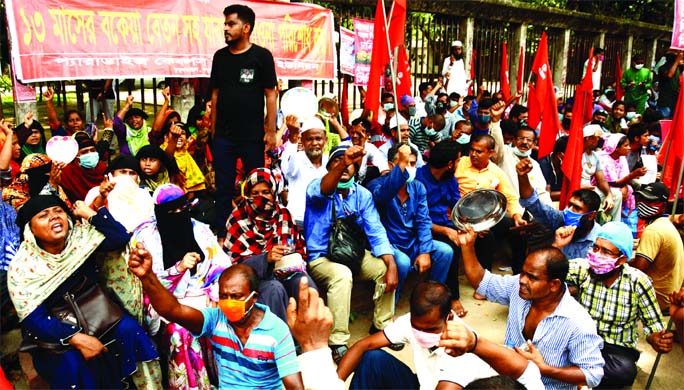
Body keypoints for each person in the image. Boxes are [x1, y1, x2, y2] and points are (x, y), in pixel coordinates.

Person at [8, 195, 160, 388]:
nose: (54, 217)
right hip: (58, 333)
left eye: (59, 211)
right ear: (31, 229)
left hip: (102, 316)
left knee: (130, 331)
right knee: (73, 364)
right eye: (44, 215)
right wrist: (77, 338)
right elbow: (34, 320)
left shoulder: (81, 240)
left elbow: (119, 237)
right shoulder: (23, 267)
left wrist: (90, 214)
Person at [454, 226, 605, 389]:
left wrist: (545, 369)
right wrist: (467, 246)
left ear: (554, 285)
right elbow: (482, 282)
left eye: (532, 277)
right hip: (508, 382)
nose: (522, 280)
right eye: (523, 273)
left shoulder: (578, 322)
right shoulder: (518, 288)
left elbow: (592, 375)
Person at [129, 248, 304, 389]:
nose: (228, 303)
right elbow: (173, 310)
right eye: (223, 296)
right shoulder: (215, 320)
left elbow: (294, 386)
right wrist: (147, 276)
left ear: (254, 297)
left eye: (236, 296)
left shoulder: (276, 331)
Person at [337, 281, 544, 389]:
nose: (421, 334)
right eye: (416, 327)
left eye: (430, 329)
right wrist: (334, 384)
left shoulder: (462, 350)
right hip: (424, 385)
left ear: (449, 318)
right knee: (373, 359)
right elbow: (363, 345)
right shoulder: (414, 321)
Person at [304, 144, 397, 362]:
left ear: (356, 169)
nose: (344, 167)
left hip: (351, 253)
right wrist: (343, 162)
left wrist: (391, 264)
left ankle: (382, 326)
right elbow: (325, 189)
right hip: (322, 258)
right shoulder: (317, 189)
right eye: (336, 162)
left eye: (348, 164)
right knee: (341, 275)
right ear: (329, 168)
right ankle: (338, 341)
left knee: (383, 267)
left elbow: (375, 230)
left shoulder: (362, 195)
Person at [133, 184, 230, 389]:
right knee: (181, 330)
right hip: (163, 303)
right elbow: (147, 281)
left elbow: (220, 267)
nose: (178, 215)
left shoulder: (200, 230)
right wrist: (178, 269)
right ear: (159, 212)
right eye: (171, 211)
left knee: (222, 317)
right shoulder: (144, 237)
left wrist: (214, 295)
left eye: (181, 209)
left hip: (202, 295)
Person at [564, 221, 673, 388]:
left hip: (615, 346)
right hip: (583, 338)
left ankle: (581, 375)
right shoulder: (583, 269)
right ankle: (582, 375)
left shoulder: (638, 282)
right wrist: (558, 245)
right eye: (596, 248)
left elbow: (653, 324)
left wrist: (656, 338)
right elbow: (551, 268)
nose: (597, 255)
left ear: (622, 259)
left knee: (623, 372)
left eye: (606, 251)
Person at [210, 4, 278, 240]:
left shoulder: (261, 56)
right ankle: (223, 232)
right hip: (223, 137)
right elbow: (215, 94)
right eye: (225, 24)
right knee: (223, 187)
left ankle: (257, 231)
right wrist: (212, 130)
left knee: (256, 186)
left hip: (252, 136)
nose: (226, 28)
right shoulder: (219, 57)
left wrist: (270, 131)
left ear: (246, 27)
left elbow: (271, 93)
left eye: (231, 24)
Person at [225, 168, 316, 321]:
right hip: (254, 279)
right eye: (255, 193)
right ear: (247, 194)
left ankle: (312, 334)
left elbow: (299, 247)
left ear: (273, 193)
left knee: (305, 284)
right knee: (274, 289)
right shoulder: (237, 218)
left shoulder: (283, 214)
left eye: (266, 192)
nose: (261, 198)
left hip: (286, 272)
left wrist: (291, 258)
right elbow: (234, 266)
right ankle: (285, 341)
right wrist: (265, 259)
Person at [367, 143, 453, 301]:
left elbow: (423, 221)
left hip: (411, 242)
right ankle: (389, 309)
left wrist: (425, 251)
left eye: (412, 163)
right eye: (404, 163)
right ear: (391, 165)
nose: (409, 167)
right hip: (390, 245)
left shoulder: (418, 187)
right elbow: (383, 196)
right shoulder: (376, 185)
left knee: (445, 252)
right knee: (403, 262)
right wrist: (401, 167)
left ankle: (431, 299)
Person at [518, 160, 602, 260]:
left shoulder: (599, 239)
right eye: (570, 204)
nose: (568, 210)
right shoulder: (559, 219)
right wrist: (522, 176)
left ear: (591, 215)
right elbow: (532, 203)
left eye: (577, 208)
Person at [630, 182, 684, 312]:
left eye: (650, 201)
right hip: (669, 294)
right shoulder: (664, 223)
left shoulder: (654, 230)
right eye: (641, 199)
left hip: (657, 299)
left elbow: (638, 271)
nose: (642, 203)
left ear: (663, 206)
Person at [281, 117, 329, 225]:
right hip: (298, 221)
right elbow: (288, 168)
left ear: (325, 140)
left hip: (323, 222)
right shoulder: (296, 158)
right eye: (309, 139)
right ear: (302, 141)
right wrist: (293, 137)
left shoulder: (329, 162)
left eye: (318, 139)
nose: (314, 143)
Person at [594, 133, 645, 223]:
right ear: (616, 148)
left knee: (630, 189)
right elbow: (613, 182)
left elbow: (623, 177)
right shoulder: (604, 159)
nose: (629, 148)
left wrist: (625, 185)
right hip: (603, 187)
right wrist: (633, 174)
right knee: (617, 193)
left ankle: (624, 220)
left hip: (619, 185)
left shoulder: (622, 158)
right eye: (626, 145)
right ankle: (613, 222)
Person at [2, 154, 70, 211]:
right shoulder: (11, 195)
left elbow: (67, 209)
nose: (48, 176)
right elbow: (38, 213)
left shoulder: (54, 185)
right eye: (44, 173)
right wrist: (51, 187)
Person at [580, 124, 617, 221]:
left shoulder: (595, 156)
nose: (597, 141)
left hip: (590, 188)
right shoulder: (577, 153)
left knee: (616, 195)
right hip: (579, 187)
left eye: (598, 139)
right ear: (587, 138)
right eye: (594, 138)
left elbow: (601, 179)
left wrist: (609, 194)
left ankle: (612, 225)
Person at [60, 132, 108, 203]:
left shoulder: (103, 168)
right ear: (76, 155)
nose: (90, 154)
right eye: (84, 152)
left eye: (92, 150)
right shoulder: (68, 173)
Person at [349, 117, 388, 186]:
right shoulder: (344, 146)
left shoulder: (370, 148)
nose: (354, 136)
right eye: (352, 132)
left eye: (358, 133)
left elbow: (384, 168)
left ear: (367, 135)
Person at [539, 136, 567, 202]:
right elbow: (546, 196)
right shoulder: (543, 164)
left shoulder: (566, 166)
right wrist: (569, 193)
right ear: (560, 155)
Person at [656, 51, 683, 119]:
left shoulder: (678, 68)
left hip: (674, 102)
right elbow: (669, 75)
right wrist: (677, 61)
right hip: (665, 102)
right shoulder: (662, 68)